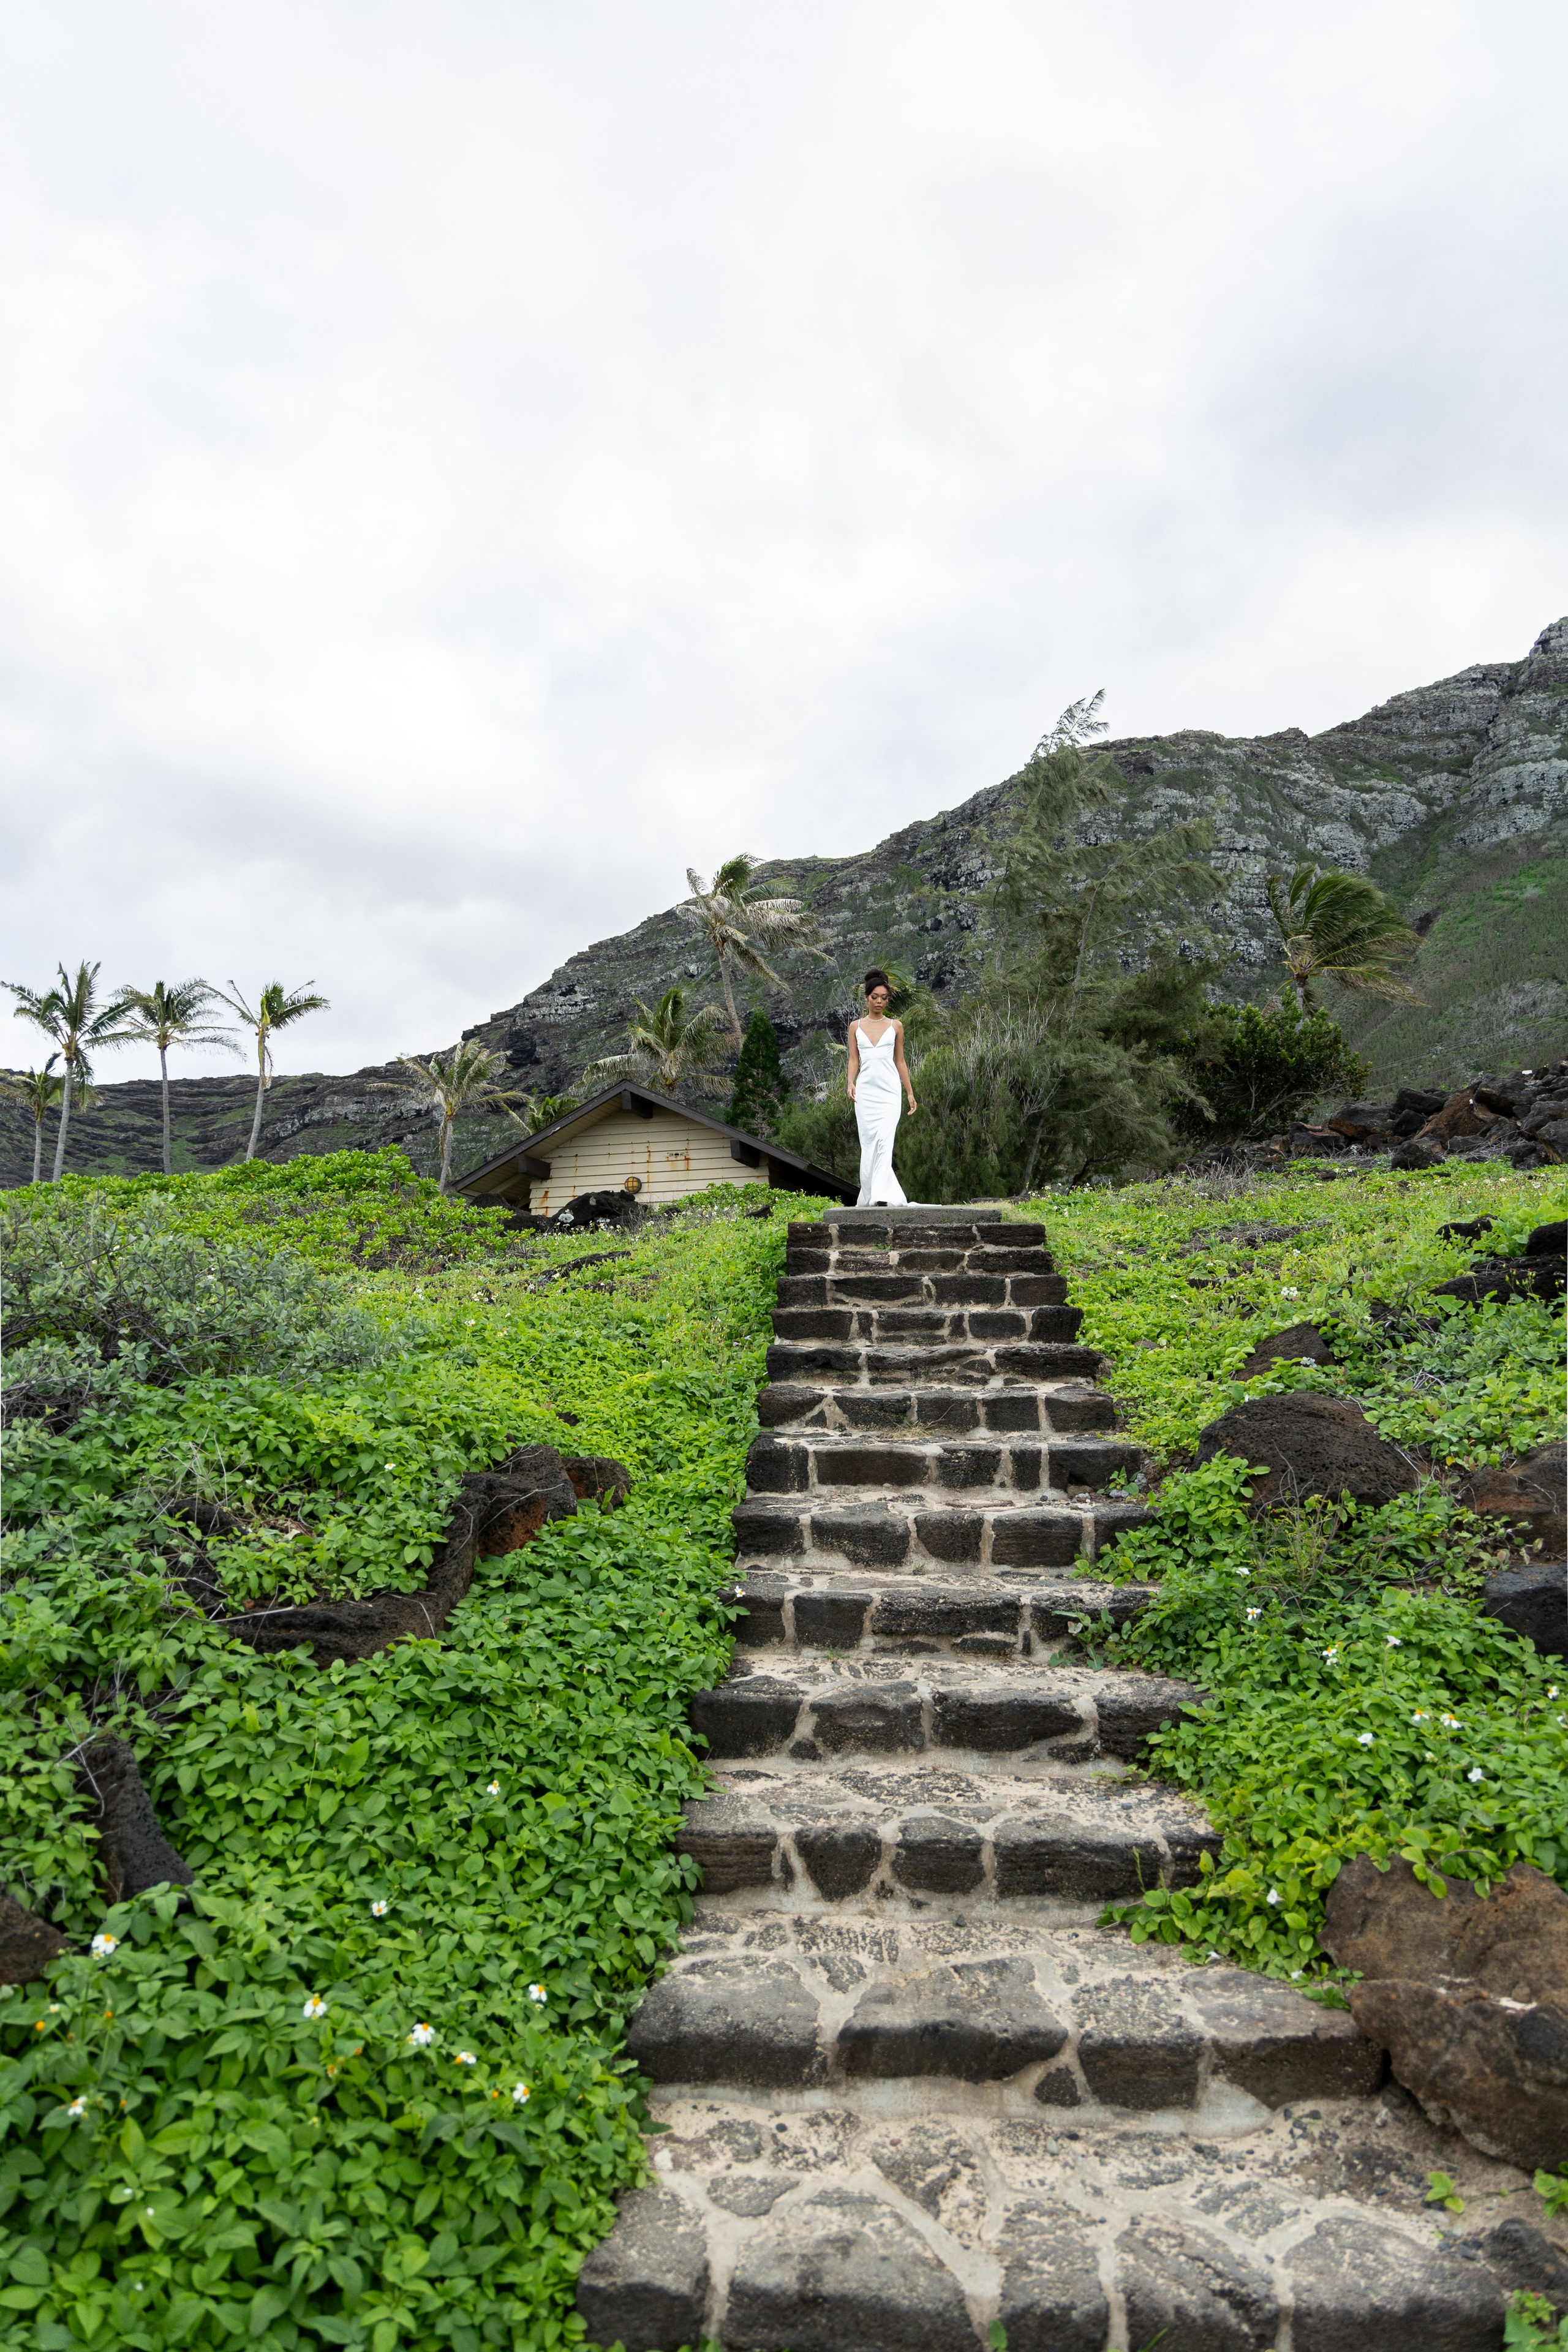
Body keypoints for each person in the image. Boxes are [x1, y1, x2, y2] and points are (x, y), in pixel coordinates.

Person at [846, 968, 917, 1206]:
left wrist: (909, 1092)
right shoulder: (855, 1026)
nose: (879, 1002)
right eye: (875, 997)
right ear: (867, 997)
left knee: (885, 1142)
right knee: (869, 1143)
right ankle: (871, 1193)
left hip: (889, 1092)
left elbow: (900, 1061)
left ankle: (881, 1196)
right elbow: (854, 1060)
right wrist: (850, 1083)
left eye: (884, 998)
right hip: (866, 1092)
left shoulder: (896, 1026)